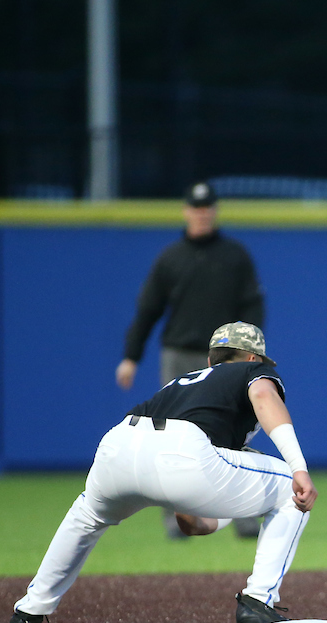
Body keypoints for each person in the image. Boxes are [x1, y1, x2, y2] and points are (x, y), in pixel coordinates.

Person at [8, 322, 317, 623]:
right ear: (253, 358)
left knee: (86, 518)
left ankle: (28, 613)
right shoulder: (251, 371)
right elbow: (263, 394)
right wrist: (298, 467)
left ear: (210, 360)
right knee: (290, 490)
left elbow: (191, 520)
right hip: (183, 452)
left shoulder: (182, 385)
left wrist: (195, 510)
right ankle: (258, 601)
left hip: (119, 444)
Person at [115, 180, 265, 539]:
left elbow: (252, 305)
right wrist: (131, 357)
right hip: (179, 354)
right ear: (186, 211)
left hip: (227, 357)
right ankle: (176, 519)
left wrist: (252, 354)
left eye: (207, 208)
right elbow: (148, 310)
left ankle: (244, 515)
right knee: (172, 438)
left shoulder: (235, 255)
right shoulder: (171, 257)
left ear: (215, 211)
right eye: (196, 208)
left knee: (231, 432)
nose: (202, 214)